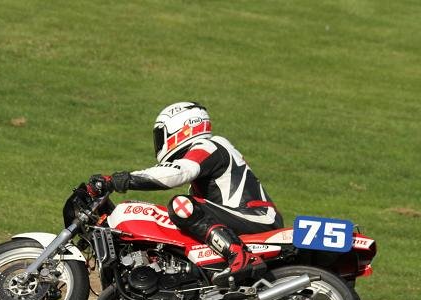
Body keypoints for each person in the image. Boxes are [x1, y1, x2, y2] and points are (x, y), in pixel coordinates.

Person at [88, 101, 284, 289]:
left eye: (161, 135)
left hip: (257, 218)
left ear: (180, 128)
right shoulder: (204, 174)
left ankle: (240, 255)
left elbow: (178, 173)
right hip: (244, 218)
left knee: (181, 205)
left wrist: (120, 180)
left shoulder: (210, 145)